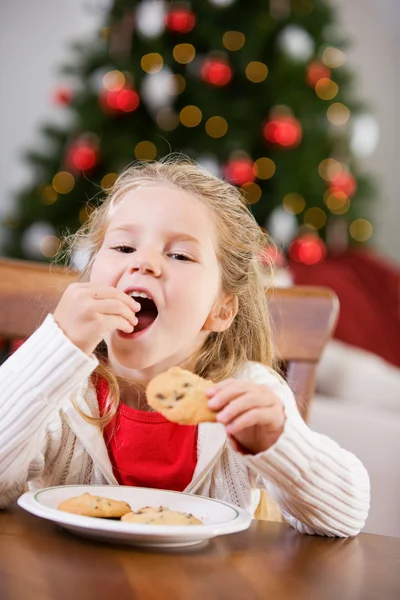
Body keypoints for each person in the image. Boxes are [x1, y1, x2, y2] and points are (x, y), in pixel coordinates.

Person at [0, 156, 369, 536]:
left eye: (179, 255)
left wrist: (279, 444)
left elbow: (346, 517)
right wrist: (58, 346)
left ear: (221, 310)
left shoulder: (246, 396)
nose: (144, 263)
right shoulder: (57, 387)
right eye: (124, 248)